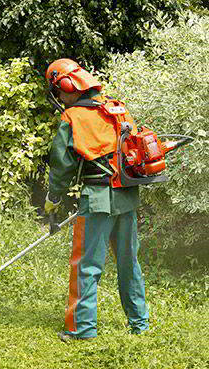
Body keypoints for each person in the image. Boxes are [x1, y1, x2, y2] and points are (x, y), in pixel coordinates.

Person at [44, 58, 149, 342]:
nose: (60, 97)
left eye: (59, 91)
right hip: (127, 195)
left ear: (67, 87)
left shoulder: (73, 117)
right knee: (129, 262)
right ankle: (139, 323)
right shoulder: (117, 108)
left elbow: (62, 165)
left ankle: (82, 329)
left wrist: (53, 197)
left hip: (98, 199)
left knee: (87, 265)